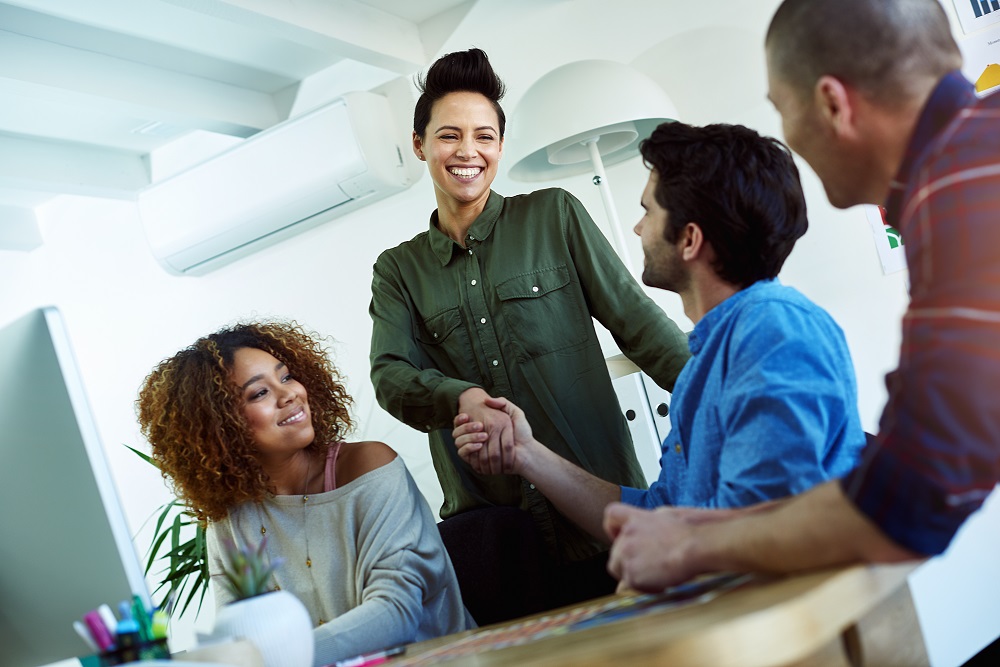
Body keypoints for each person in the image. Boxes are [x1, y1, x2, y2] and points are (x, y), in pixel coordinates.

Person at [604, 0, 1000, 592]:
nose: (788, 139)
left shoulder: (962, 185)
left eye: (784, 112)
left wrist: (692, 543)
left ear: (833, 104)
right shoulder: (969, 158)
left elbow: (916, 493)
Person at [368, 48, 690, 606]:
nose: (468, 151)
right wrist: (460, 396)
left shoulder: (555, 216)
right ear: (421, 145)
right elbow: (390, 376)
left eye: (484, 136)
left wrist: (726, 396)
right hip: (498, 542)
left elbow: (639, 325)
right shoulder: (398, 270)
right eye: (449, 136)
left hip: (600, 514)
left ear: (498, 144)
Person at [453, 121, 865, 541]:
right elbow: (655, 516)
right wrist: (526, 454)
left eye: (648, 210)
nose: (638, 227)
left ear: (689, 239)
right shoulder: (706, 365)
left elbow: (768, 528)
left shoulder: (775, 335)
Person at [136, 321, 474, 665]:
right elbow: (242, 639)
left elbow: (396, 613)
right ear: (219, 426)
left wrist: (280, 659)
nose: (290, 394)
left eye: (285, 377)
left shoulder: (370, 467)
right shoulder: (229, 518)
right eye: (259, 393)